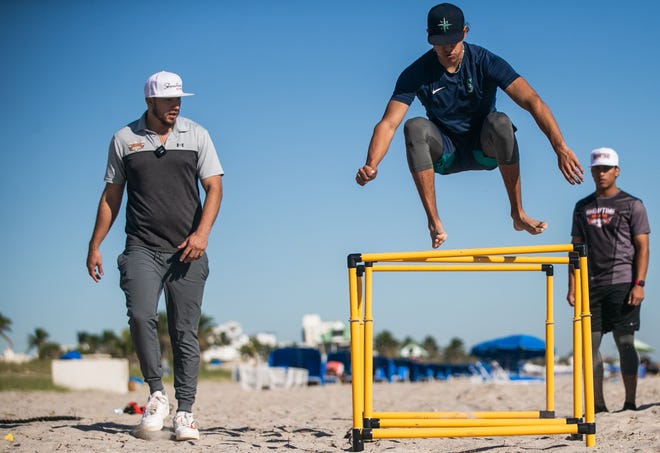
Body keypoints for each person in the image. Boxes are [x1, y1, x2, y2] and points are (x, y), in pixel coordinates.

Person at [355, 3, 584, 248]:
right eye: (440, 41)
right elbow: (388, 123)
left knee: (501, 122)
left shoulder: (485, 61)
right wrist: (372, 163)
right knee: (414, 126)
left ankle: (518, 213)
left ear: (465, 32)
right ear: (428, 37)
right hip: (446, 153)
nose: (447, 48)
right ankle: (434, 222)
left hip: (483, 149)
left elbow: (532, 101)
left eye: (453, 40)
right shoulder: (416, 72)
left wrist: (560, 147)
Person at [86, 71, 224, 440]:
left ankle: (185, 412)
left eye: (180, 98)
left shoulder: (197, 135)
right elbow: (111, 197)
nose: (176, 105)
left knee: (184, 331)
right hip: (142, 247)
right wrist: (95, 244)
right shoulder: (124, 139)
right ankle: (156, 395)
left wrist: (202, 234)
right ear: (150, 102)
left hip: (188, 250)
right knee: (141, 314)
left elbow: (214, 187)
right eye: (168, 100)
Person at [567, 147, 650, 413]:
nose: (601, 173)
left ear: (616, 171)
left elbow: (643, 247)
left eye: (606, 168)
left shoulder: (631, 204)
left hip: (623, 283)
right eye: (597, 168)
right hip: (590, 286)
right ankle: (598, 405)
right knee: (589, 347)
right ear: (591, 171)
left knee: (625, 343)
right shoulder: (582, 207)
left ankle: (630, 403)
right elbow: (575, 249)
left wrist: (639, 284)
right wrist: (572, 286)